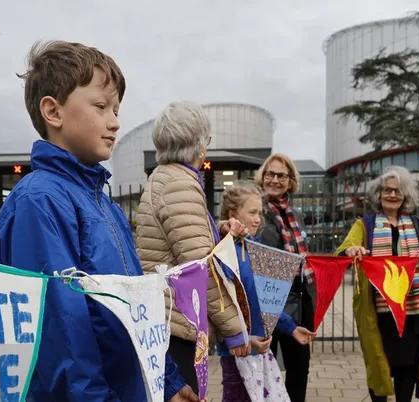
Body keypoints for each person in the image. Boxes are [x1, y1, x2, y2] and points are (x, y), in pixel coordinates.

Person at [0, 41, 197, 402]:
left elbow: (136, 309)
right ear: (53, 112)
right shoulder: (39, 202)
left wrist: (166, 380)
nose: (115, 122)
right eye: (101, 106)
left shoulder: (103, 203)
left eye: (117, 109)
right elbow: (61, 337)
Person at [135, 101, 249, 393]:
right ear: (199, 145)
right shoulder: (180, 184)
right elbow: (199, 266)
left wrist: (218, 228)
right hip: (179, 323)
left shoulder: (165, 177)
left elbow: (183, 240)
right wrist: (234, 329)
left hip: (167, 317)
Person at [335, 166, 419, 402]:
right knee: (380, 361)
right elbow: (343, 251)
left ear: (406, 195)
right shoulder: (365, 225)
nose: (392, 195)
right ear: (378, 195)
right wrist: (352, 249)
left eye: (398, 190)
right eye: (387, 190)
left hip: (414, 310)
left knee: (409, 364)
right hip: (378, 309)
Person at [217, 183, 315, 401]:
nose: (258, 218)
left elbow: (267, 300)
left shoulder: (256, 248)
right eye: (252, 212)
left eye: (259, 212)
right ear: (233, 215)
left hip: (260, 350)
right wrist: (240, 339)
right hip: (237, 351)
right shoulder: (223, 251)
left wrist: (291, 328)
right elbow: (221, 307)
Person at [254, 153, 314, 402]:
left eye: (282, 175)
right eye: (271, 174)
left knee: (299, 369)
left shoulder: (295, 215)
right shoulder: (257, 210)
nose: (275, 180)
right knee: (266, 371)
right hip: (268, 300)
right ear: (263, 177)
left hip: (300, 300)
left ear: (290, 181)